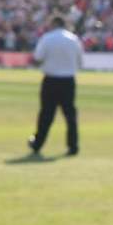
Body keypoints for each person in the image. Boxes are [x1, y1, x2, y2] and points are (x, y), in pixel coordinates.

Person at [26, 15, 83, 156]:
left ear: (54, 24)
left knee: (46, 114)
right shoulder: (73, 39)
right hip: (68, 80)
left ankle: (38, 144)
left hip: (51, 80)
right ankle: (73, 145)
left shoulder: (47, 38)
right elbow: (80, 61)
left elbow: (38, 58)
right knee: (70, 115)